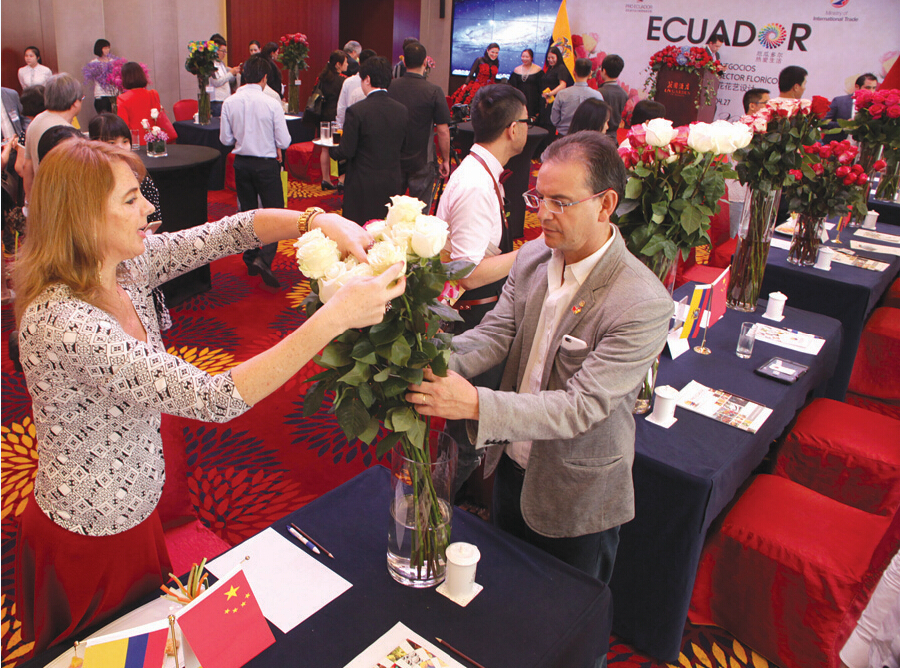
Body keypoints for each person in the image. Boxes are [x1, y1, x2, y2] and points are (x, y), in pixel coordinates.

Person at [13, 137, 406, 655]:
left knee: (148, 649)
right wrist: (331, 319)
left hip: (135, 506)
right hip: (93, 533)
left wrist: (316, 221)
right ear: (83, 217)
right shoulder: (64, 322)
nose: (149, 208)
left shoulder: (122, 267)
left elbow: (230, 230)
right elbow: (213, 396)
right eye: (130, 200)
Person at [407, 130, 673, 592]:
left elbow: (580, 406)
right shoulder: (534, 256)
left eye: (561, 202)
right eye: (539, 197)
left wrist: (473, 404)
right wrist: (431, 361)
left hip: (576, 494)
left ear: (606, 205)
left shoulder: (641, 301)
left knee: (567, 624)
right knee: (509, 601)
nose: (544, 214)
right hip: (512, 464)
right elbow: (497, 334)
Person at [435, 84, 528, 492]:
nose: (528, 129)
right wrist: (532, 252)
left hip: (478, 309)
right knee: (470, 430)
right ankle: (431, 509)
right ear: (512, 129)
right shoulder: (475, 184)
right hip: (475, 314)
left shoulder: (481, 172)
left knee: (467, 423)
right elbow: (466, 272)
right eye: (526, 122)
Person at [221, 55, 292, 289]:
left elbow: (225, 139)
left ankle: (250, 258)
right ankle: (265, 258)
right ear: (264, 78)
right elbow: (284, 140)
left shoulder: (230, 102)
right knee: (276, 214)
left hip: (241, 163)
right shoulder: (271, 103)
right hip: (266, 165)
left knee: (248, 213)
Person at [329, 56, 408, 224]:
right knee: (386, 231)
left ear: (367, 80)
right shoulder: (401, 110)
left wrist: (332, 148)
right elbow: (404, 146)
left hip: (362, 183)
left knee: (359, 230)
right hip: (392, 181)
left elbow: (347, 150)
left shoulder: (357, 111)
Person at [388, 41, 451, 210]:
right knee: (420, 215)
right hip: (423, 160)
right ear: (425, 63)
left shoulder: (390, 87)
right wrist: (446, 159)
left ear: (404, 63)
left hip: (394, 159)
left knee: (393, 211)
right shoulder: (434, 91)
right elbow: (443, 131)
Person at [19, 73, 82, 200]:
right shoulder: (65, 134)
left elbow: (28, 165)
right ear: (75, 102)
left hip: (42, 200)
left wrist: (30, 203)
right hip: (61, 202)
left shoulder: (37, 120)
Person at [116, 62, 178, 145]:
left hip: (136, 142)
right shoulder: (153, 94)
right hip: (155, 139)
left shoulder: (122, 99)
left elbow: (124, 126)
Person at [316, 50, 349, 190]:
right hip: (337, 118)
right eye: (345, 62)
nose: (347, 64)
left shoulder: (321, 78)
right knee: (340, 148)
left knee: (324, 149)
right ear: (338, 64)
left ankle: (326, 179)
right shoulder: (343, 80)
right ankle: (341, 179)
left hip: (323, 117)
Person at [551, 58, 604, 137]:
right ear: (590, 74)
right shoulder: (597, 95)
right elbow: (600, 120)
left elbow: (554, 119)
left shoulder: (562, 94)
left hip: (564, 137)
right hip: (587, 139)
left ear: (573, 72)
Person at [825, 73, 878, 140]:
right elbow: (824, 122)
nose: (871, 91)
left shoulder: (876, 105)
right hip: (840, 145)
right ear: (857, 87)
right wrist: (845, 124)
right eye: (868, 88)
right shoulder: (839, 101)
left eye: (874, 88)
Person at [538, 47, 574, 138]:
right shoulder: (550, 68)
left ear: (558, 57)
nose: (550, 60)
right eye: (548, 58)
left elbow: (562, 85)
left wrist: (550, 94)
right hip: (545, 101)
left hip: (554, 101)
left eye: (552, 58)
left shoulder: (561, 68)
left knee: (550, 126)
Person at [337, 48, 376, 126]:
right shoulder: (378, 82)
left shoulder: (348, 82)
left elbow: (341, 109)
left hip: (351, 125)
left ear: (359, 63)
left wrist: (340, 127)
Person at [509, 49, 544, 121]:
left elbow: (541, 87)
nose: (524, 59)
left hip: (533, 101)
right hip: (520, 101)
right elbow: (512, 87)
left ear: (532, 58)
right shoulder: (516, 70)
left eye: (527, 57)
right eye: (523, 56)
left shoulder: (538, 70)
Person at [598, 55, 626, 141]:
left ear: (604, 71)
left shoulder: (599, 92)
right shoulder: (623, 93)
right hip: (614, 137)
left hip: (599, 136)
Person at [209, 34, 238, 116]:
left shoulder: (221, 64)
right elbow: (216, 82)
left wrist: (234, 74)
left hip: (225, 100)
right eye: (223, 51)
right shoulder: (210, 64)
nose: (225, 54)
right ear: (216, 50)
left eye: (226, 51)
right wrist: (230, 73)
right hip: (217, 102)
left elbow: (226, 80)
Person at [89, 39, 118, 114]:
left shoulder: (113, 61)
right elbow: (95, 77)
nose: (107, 50)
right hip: (101, 94)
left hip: (113, 93)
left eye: (108, 48)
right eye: (105, 48)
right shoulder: (94, 63)